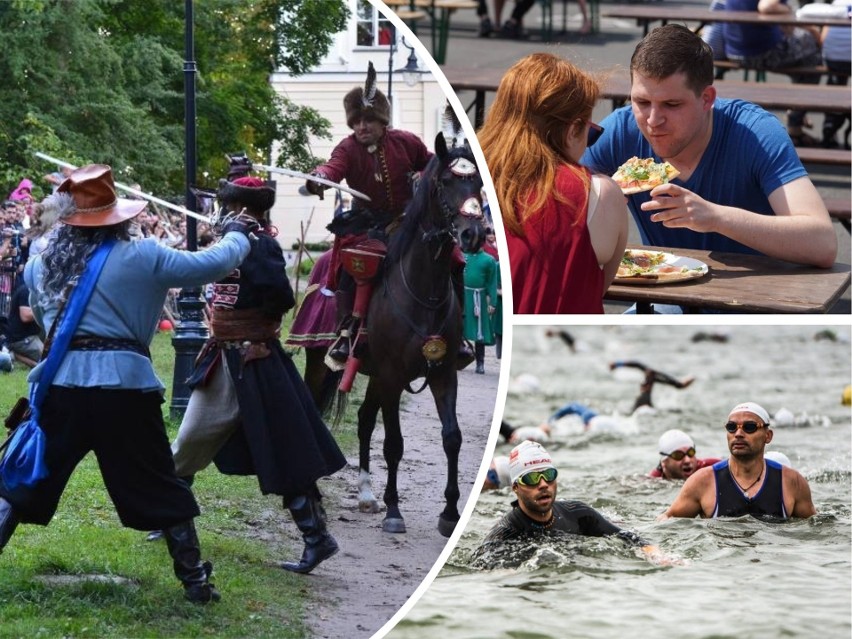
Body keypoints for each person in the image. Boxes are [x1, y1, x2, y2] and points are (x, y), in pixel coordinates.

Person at [0, 163, 256, 603]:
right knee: (159, 480)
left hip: (62, 388)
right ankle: (195, 582)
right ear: (117, 216)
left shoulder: (37, 268)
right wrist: (237, 231)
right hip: (125, 392)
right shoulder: (144, 255)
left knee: (24, 479)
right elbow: (214, 263)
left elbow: (47, 328)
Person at [167, 176, 347, 575]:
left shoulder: (259, 242)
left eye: (228, 207)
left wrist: (251, 321)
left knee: (280, 451)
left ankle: (317, 538)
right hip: (228, 358)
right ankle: (170, 516)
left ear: (241, 209)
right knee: (189, 443)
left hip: (249, 360)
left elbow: (279, 296)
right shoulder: (239, 238)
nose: (222, 213)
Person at [581, 24, 836, 272]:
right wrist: (594, 200)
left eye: (671, 104)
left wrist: (716, 218)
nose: (652, 120)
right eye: (642, 102)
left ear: (707, 99)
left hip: (762, 303)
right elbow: (553, 204)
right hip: (666, 298)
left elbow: (822, 244)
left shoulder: (756, 133)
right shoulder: (621, 130)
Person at [303, 62, 434, 364]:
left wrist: (423, 176)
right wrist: (317, 178)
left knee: (449, 257)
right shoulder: (347, 149)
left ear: (383, 121)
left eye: (369, 121)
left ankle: (453, 329)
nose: (362, 127)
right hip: (365, 225)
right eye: (357, 122)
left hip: (406, 221)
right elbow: (330, 169)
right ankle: (347, 328)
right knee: (351, 266)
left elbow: (430, 163)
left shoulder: (407, 142)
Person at [478, 53, 628, 314]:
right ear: (572, 132)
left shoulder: (469, 176)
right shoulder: (601, 194)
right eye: (590, 133)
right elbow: (594, 290)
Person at [473, 441, 664, 565]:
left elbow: (628, 537)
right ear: (515, 487)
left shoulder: (578, 513)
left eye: (549, 475)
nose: (543, 485)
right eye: (531, 479)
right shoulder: (504, 534)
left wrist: (657, 555)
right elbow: (482, 569)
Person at [660, 402, 816, 519]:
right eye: (731, 427)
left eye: (749, 427)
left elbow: (813, 534)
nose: (738, 433)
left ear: (768, 436)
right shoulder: (702, 482)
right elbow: (666, 523)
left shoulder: (792, 482)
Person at [722, 0, 822, 146]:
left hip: (733, 50)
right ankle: (795, 120)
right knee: (814, 59)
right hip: (761, 52)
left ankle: (796, 110)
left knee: (804, 56)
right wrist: (812, 29)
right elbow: (767, 6)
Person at [461, 225, 498, 374]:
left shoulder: (489, 260)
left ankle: (480, 363)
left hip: (479, 299)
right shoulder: (463, 257)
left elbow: (492, 282)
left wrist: (493, 302)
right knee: (458, 329)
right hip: (463, 296)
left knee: (479, 333)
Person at [820, 0, 851, 149]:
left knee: (836, 80)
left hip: (834, 58)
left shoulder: (837, 3)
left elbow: (823, 39)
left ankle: (830, 122)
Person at [609, 360, 695, 413]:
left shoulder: (644, 396)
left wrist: (618, 364)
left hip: (643, 407)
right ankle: (679, 384)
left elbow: (640, 366)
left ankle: (679, 384)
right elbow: (640, 366)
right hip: (644, 408)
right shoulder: (644, 397)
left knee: (650, 374)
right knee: (650, 374)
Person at [649, 429, 721, 480]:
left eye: (691, 453)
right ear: (664, 462)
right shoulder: (653, 481)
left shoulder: (710, 467)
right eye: (678, 455)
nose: (687, 460)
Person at [4, 281, 42, 368]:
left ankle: (16, 356)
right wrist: (44, 309)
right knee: (48, 359)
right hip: (21, 338)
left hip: (32, 335)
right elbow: (25, 316)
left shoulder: (36, 291)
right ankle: (14, 354)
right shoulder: (27, 290)